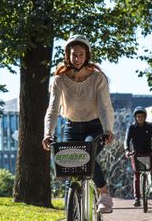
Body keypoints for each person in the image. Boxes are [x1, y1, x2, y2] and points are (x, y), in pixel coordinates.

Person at [42, 34, 115, 214]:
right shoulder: (59, 79)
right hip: (71, 127)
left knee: (88, 152)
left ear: (87, 55)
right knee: (69, 165)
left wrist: (108, 129)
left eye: (81, 54)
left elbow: (105, 106)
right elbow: (53, 109)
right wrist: (47, 133)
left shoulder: (97, 78)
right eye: (74, 55)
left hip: (94, 126)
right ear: (68, 55)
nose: (77, 58)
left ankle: (104, 193)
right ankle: (72, 206)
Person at [124, 106, 152, 207]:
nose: (140, 118)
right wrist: (127, 150)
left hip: (148, 151)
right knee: (136, 175)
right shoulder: (131, 127)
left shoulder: (150, 126)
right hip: (136, 153)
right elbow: (127, 140)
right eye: (138, 116)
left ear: (145, 117)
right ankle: (137, 198)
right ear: (135, 117)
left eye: (142, 116)